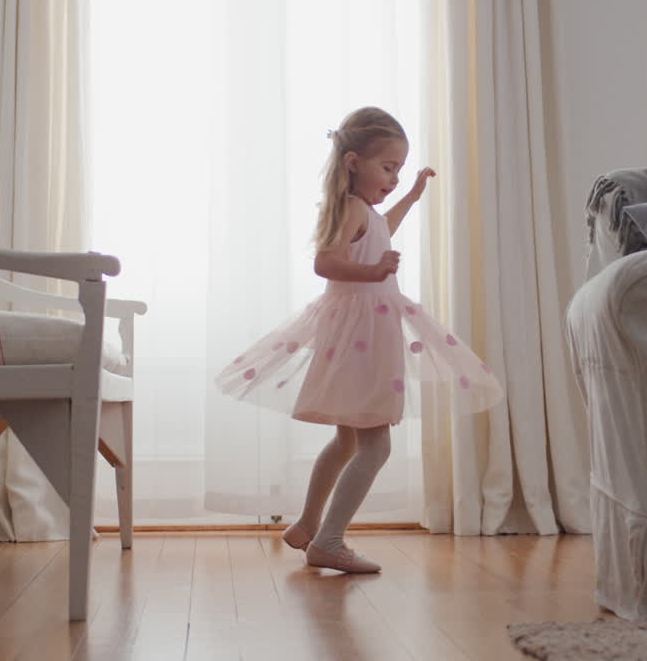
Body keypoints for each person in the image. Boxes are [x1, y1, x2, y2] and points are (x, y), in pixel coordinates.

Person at [215, 106, 503, 573]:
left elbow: (385, 224)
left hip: (359, 333)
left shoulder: (366, 211)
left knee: (348, 442)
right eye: (387, 168)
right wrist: (373, 272)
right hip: (362, 334)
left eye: (399, 170)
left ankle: (307, 526)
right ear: (353, 162)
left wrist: (411, 195)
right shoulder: (351, 208)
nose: (393, 178)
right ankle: (328, 541)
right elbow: (325, 263)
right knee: (376, 446)